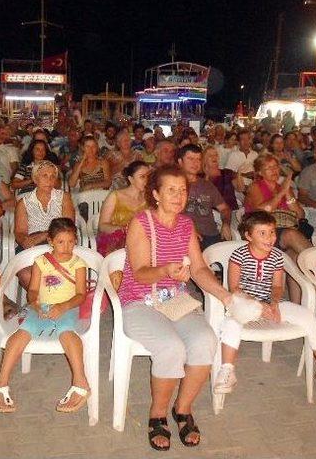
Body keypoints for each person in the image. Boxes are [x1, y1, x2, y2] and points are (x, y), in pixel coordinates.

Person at [119, 165, 235, 450]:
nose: (179, 195)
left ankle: (182, 409)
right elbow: (140, 272)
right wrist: (167, 271)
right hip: (140, 301)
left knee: (205, 339)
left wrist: (224, 295)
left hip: (174, 300)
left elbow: (198, 268)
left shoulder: (186, 225)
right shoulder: (141, 222)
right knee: (171, 347)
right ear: (155, 194)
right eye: (171, 190)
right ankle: (157, 414)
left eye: (183, 190)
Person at [213, 211, 316, 394]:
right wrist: (258, 305)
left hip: (268, 302)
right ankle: (227, 370)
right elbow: (234, 288)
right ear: (248, 236)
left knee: (306, 315)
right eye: (262, 233)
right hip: (244, 303)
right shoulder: (239, 256)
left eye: (271, 232)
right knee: (232, 322)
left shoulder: (276, 257)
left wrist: (274, 303)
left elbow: (278, 286)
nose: (269, 238)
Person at [0, 218, 90, 414]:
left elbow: (81, 295)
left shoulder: (78, 264)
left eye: (71, 242)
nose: (66, 247)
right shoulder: (41, 262)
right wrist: (36, 304)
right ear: (51, 241)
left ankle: (81, 382)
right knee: (20, 334)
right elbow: (33, 291)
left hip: (68, 307)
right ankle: (1, 382)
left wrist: (63, 306)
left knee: (67, 332)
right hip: (41, 307)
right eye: (61, 242)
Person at [244, 153, 311, 303]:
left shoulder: (284, 188)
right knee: (291, 235)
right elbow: (262, 211)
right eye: (268, 168)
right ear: (260, 173)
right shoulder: (255, 187)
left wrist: (287, 193)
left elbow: (300, 214)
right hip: (263, 232)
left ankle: (298, 305)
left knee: (295, 258)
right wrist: (281, 193)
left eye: (275, 167)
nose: (274, 170)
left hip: (283, 232)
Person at [14, 161, 75, 284]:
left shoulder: (64, 197)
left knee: (55, 273)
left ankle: (49, 301)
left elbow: (69, 226)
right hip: (32, 244)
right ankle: (45, 302)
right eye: (44, 176)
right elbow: (19, 232)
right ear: (35, 179)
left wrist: (44, 235)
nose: (49, 180)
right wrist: (24, 241)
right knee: (25, 274)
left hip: (59, 242)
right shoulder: (24, 202)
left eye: (53, 176)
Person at [178, 144, 232, 249]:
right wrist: (189, 230)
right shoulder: (173, 185)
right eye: (190, 159)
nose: (195, 163)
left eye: (198, 159)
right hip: (184, 236)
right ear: (180, 162)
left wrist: (225, 224)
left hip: (211, 235)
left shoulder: (207, 185)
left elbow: (224, 208)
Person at [96, 161, 148, 256]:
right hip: (116, 241)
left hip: (141, 240)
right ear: (131, 179)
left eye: (148, 176)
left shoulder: (149, 199)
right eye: (142, 177)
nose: (146, 180)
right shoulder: (115, 196)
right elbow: (102, 225)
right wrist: (123, 230)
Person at [201, 145, 243, 211]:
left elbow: (240, 189)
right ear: (204, 159)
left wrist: (239, 173)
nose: (214, 157)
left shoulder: (227, 173)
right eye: (210, 155)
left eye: (216, 155)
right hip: (213, 213)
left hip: (232, 210)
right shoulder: (200, 177)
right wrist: (206, 175)